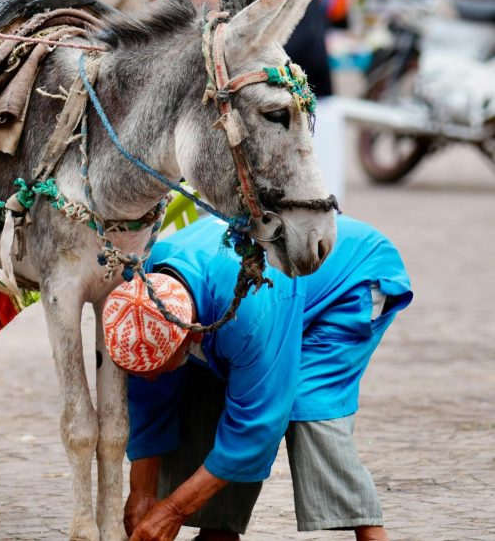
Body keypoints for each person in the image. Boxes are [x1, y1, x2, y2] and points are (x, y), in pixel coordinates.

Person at [104, 215, 412, 541]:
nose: (150, 380)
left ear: (192, 335)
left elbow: (256, 426)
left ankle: (371, 533)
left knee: (306, 400)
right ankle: (217, 534)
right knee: (202, 379)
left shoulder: (250, 315)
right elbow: (150, 397)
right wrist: (142, 492)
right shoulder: (145, 291)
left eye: (156, 372)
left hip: (351, 280)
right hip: (268, 295)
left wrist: (173, 509)